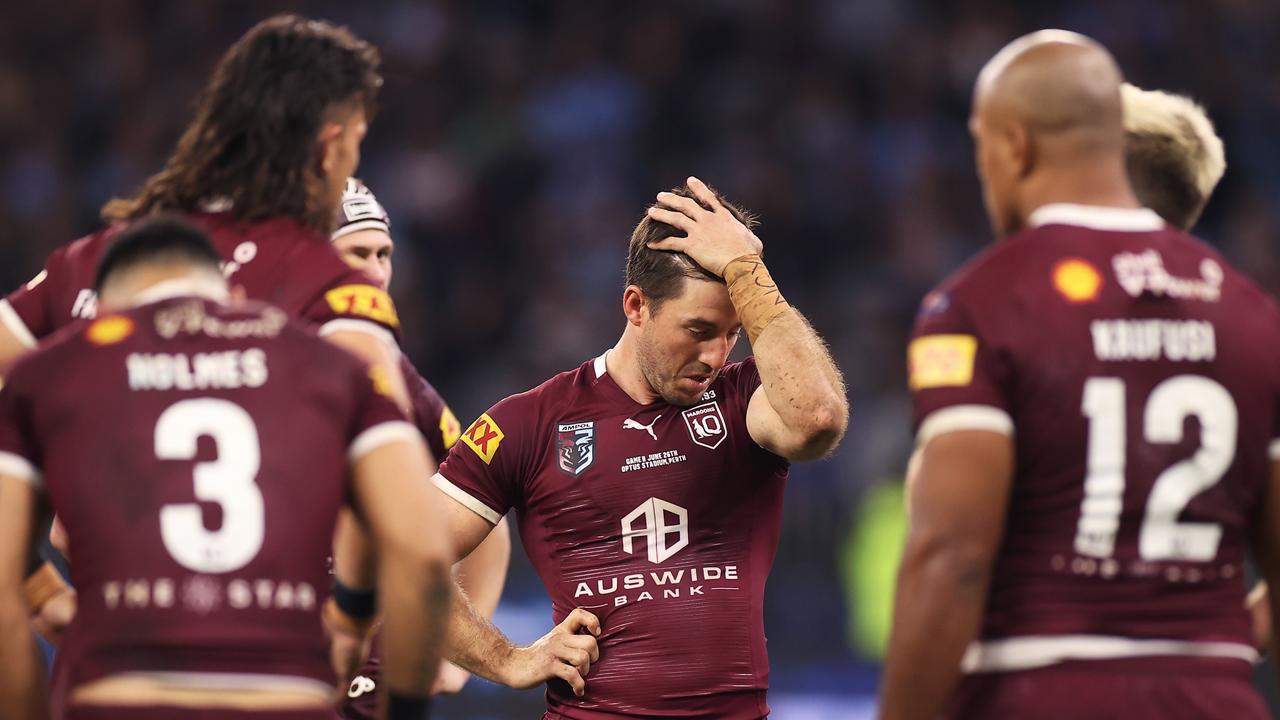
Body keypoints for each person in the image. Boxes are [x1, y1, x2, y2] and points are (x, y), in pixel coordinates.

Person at [879, 30, 1279, 719]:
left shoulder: (978, 304)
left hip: (1038, 689)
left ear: (1013, 145)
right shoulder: (1253, 315)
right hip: (1216, 698)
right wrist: (1212, 648)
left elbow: (953, 561)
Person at [1, 13, 417, 642]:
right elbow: (409, 515)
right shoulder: (325, 281)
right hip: (266, 663)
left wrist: (36, 584)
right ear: (330, 147)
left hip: (115, 668)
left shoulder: (98, 259)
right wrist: (354, 622)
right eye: (357, 139)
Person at [0, 217, 453, 720]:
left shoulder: (61, 371)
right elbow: (423, 551)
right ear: (232, 294)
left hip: (123, 692)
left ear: (104, 308)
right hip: (287, 694)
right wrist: (353, 620)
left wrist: (39, 591)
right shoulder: (324, 364)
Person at [430, 177, 847, 718]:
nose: (716, 354)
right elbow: (402, 554)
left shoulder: (744, 402)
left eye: (732, 333)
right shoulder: (527, 424)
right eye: (698, 329)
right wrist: (508, 659)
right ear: (635, 305)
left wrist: (749, 271)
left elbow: (817, 418)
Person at [328, 179, 512, 716]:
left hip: (362, 670)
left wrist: (455, 656)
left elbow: (482, 504)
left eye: (383, 253)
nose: (377, 270)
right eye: (357, 252)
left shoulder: (395, 374)